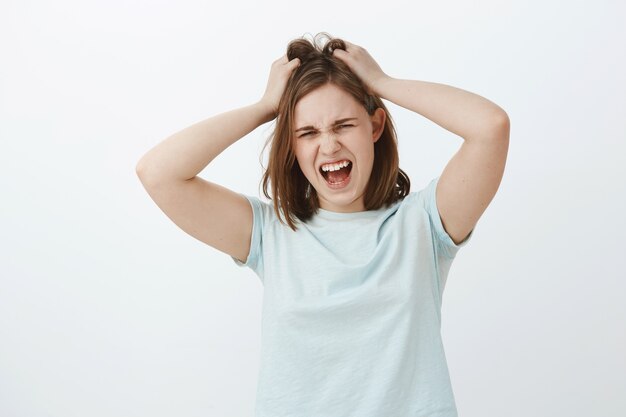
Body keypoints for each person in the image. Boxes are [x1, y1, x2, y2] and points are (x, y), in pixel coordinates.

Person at [136, 32, 509, 417]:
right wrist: (266, 107)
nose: (329, 146)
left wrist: (382, 83)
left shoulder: (424, 225)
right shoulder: (270, 233)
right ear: (293, 147)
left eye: (344, 125)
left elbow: (490, 127)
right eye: (308, 133)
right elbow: (158, 173)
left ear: (375, 126)